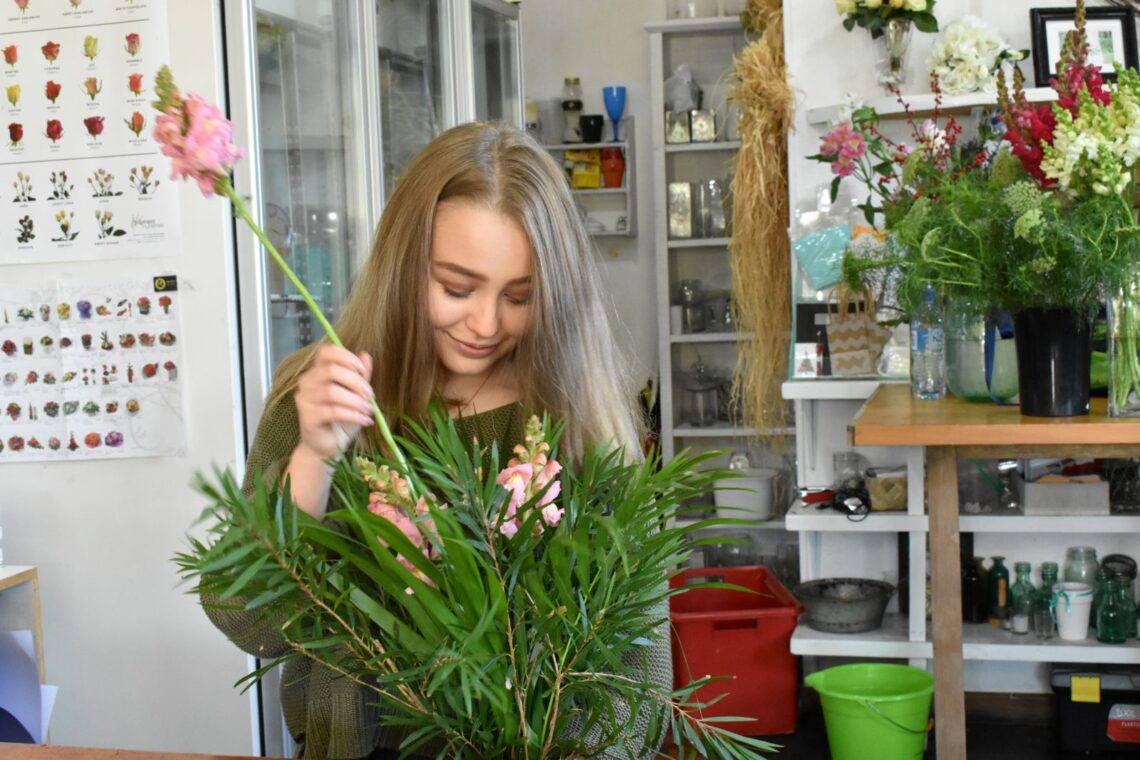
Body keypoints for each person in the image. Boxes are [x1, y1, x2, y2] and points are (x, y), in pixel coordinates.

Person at [203, 122, 669, 759]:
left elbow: (637, 679)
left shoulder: (582, 422)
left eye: (519, 297)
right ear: (403, 265)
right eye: (455, 288)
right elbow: (246, 619)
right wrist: (313, 458)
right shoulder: (323, 396)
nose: (484, 324)